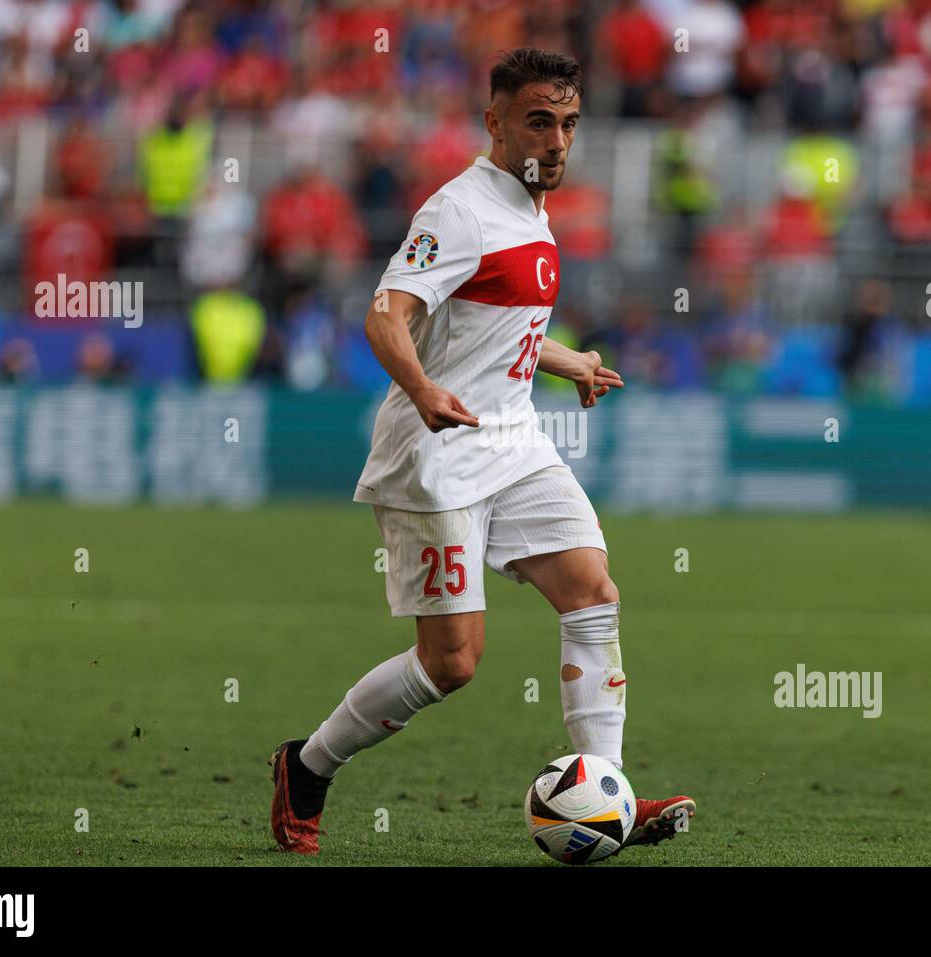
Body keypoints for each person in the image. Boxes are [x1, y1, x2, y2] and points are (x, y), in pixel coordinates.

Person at [269, 48, 696, 857]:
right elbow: (385, 316)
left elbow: (490, 328)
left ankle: (605, 793)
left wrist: (567, 360)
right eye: (540, 121)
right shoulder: (459, 211)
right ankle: (308, 764)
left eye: (569, 122)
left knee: (592, 589)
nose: (558, 139)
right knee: (451, 664)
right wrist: (426, 391)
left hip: (514, 439)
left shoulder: (529, 206)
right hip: (437, 453)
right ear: (495, 122)